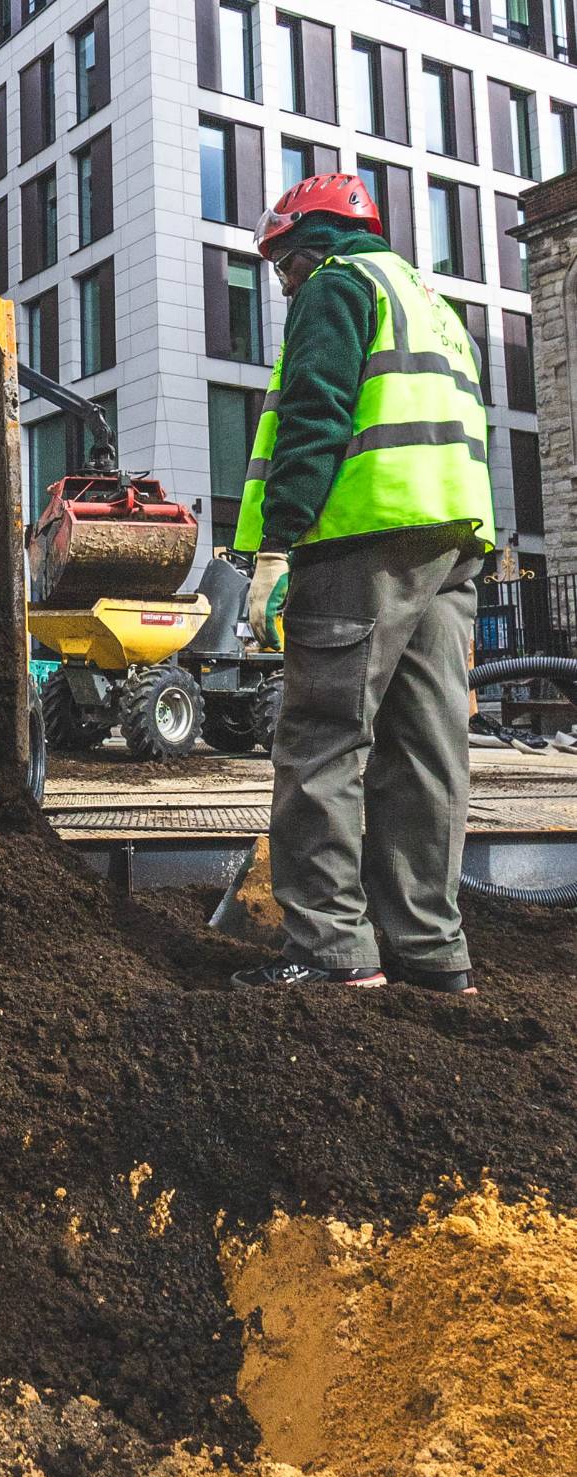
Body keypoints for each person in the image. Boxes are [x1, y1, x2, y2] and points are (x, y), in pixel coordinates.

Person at [230, 173, 494, 994]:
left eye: (283, 265)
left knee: (323, 739)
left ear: (311, 245)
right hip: (452, 541)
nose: (283, 285)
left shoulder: (337, 285)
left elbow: (313, 415)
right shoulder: (432, 305)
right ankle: (430, 951)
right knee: (426, 749)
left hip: (361, 540)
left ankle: (331, 949)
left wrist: (276, 548)